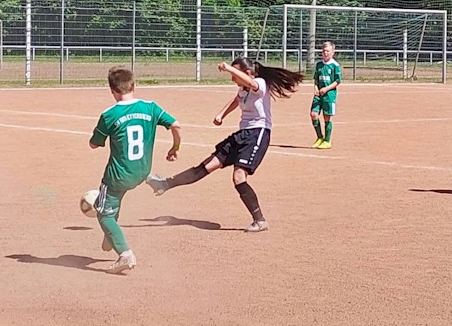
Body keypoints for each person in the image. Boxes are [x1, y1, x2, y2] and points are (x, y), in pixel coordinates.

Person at [146, 58, 304, 232]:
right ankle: (165, 184)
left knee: (238, 177)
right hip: (242, 134)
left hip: (257, 134)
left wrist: (228, 68)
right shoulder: (243, 88)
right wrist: (222, 114)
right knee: (207, 165)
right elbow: (236, 100)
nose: (232, 78)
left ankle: (260, 220)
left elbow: (250, 82)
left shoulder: (259, 83)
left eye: (235, 74)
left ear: (246, 73)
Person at [88, 66, 181, 274]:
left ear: (112, 90)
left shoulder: (109, 114)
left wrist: (95, 138)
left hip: (118, 176)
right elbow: (176, 125)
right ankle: (112, 234)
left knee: (103, 213)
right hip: (142, 170)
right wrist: (175, 147)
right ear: (134, 86)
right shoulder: (151, 107)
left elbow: (94, 144)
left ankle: (124, 254)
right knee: (115, 201)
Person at [310, 41, 341, 149]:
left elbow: (337, 81)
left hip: (329, 95)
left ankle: (327, 141)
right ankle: (319, 137)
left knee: (327, 117)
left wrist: (326, 89)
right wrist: (315, 88)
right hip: (318, 94)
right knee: (313, 114)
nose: (325, 53)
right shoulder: (319, 65)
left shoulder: (335, 66)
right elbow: (316, 79)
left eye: (327, 51)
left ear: (333, 52)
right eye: (323, 51)